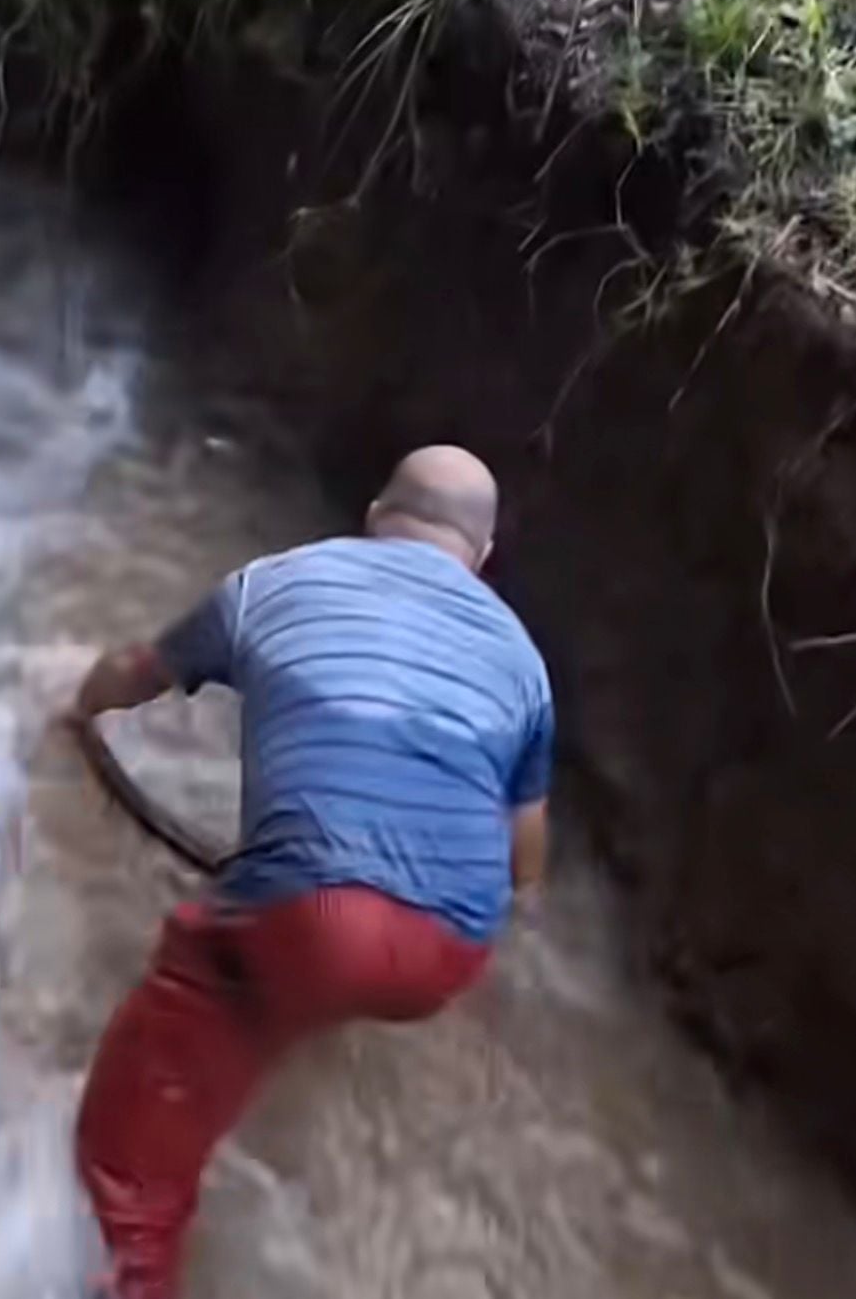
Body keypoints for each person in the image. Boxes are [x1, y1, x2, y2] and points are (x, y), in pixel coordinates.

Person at [65, 445, 554, 1299]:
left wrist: (76, 704)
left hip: (312, 916)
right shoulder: (521, 662)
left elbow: (137, 674)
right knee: (309, 978)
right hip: (448, 951)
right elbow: (524, 856)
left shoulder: (278, 581)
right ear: (480, 560)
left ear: (373, 516)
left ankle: (128, 1275)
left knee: (126, 1158)